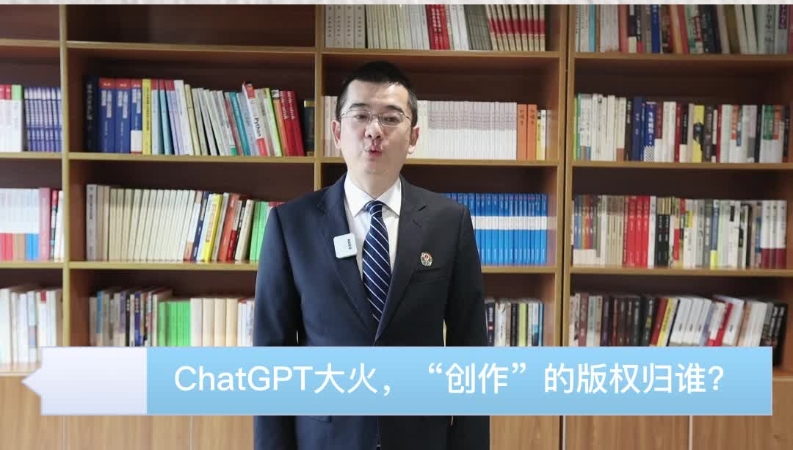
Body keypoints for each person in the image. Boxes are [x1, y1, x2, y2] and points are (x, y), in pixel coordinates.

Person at [253, 60, 489, 450]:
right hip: (325, 438)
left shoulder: (450, 222)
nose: (374, 130)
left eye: (391, 118)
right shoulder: (290, 224)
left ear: (413, 137)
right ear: (337, 131)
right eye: (360, 115)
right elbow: (271, 357)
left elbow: (470, 348)